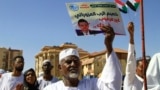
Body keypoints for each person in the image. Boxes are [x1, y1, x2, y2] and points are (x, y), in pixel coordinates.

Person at [44, 25, 122, 90]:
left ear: (80, 65)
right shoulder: (51, 88)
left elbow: (112, 85)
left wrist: (109, 45)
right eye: (68, 62)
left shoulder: (93, 85)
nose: (73, 64)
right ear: (59, 67)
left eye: (76, 61)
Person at [123, 22, 149, 90]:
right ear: (136, 68)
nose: (144, 70)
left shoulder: (149, 82)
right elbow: (131, 60)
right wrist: (131, 36)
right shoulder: (131, 78)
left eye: (146, 67)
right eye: (142, 67)